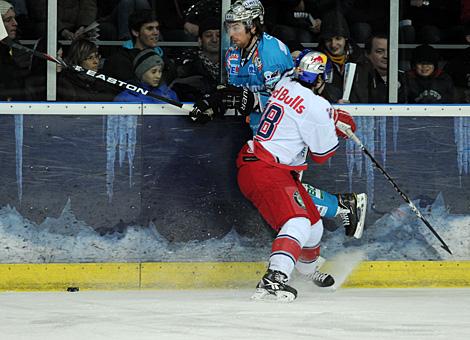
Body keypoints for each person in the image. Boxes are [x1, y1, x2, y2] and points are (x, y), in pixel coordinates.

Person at [190, 0, 367, 240]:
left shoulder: (272, 54)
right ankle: (341, 207)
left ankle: (336, 210)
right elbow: (235, 93)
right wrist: (214, 103)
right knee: (277, 189)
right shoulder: (232, 52)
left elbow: (287, 100)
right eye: (229, 26)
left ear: (253, 26)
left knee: (284, 190)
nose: (231, 33)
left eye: (237, 27)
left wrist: (250, 100)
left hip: (287, 132)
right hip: (259, 131)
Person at [237, 50, 357, 301]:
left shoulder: (286, 82)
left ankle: (306, 271)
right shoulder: (317, 106)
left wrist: (330, 118)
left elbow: (300, 112)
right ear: (322, 79)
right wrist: (337, 127)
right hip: (266, 169)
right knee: (298, 222)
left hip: (263, 166)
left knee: (313, 225)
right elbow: (323, 154)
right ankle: (275, 278)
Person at [317, 10, 370, 103]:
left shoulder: (361, 60)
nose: (333, 44)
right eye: (328, 40)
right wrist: (334, 104)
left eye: (338, 38)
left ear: (346, 38)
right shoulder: (315, 63)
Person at [171, 16, 221, 101]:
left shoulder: (232, 65)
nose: (214, 39)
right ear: (200, 41)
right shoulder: (187, 66)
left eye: (219, 35)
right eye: (208, 35)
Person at [114, 49, 179, 103]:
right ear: (141, 73)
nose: (158, 76)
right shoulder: (125, 98)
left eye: (160, 71)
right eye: (153, 72)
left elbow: (178, 118)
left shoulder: (170, 95)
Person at [364, 33, 407, 103]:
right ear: (367, 54)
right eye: (380, 51)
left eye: (390, 51)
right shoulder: (359, 79)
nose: (386, 56)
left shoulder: (405, 79)